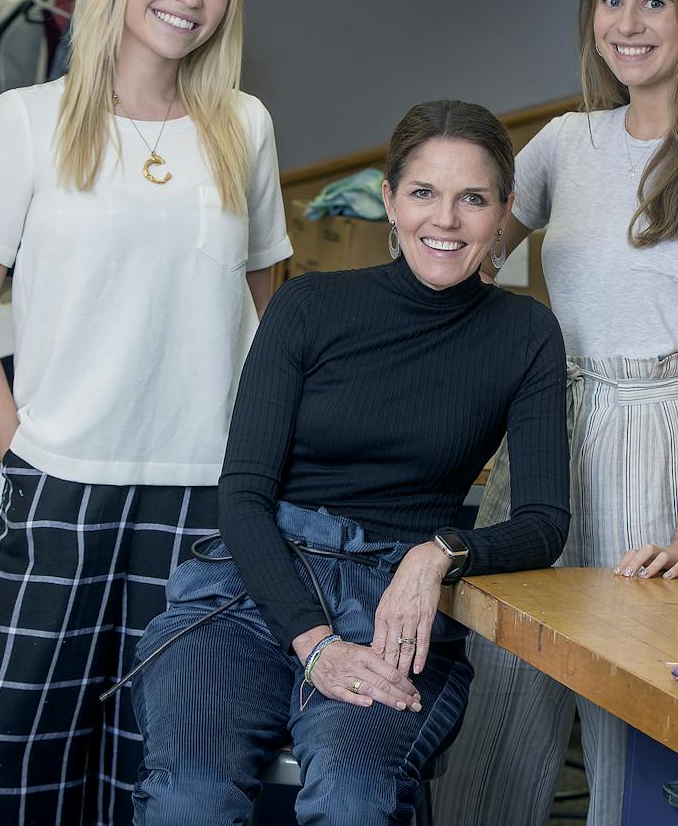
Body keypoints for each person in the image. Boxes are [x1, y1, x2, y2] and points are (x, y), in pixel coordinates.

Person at [0, 0, 291, 825]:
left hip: (202, 495)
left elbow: (273, 326)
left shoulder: (244, 128)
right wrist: (22, 450)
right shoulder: (26, 120)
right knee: (15, 747)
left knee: (165, 757)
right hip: (59, 480)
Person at [436, 0, 678, 826]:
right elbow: (459, 263)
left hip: (663, 433)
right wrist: (430, 206)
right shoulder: (563, 142)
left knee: (634, 723)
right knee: (498, 703)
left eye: (653, 2)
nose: (627, 23)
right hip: (550, 429)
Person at [129, 100, 571, 825]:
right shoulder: (307, 306)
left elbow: (545, 523)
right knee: (190, 799)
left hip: (394, 608)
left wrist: (441, 552)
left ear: (504, 211)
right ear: (390, 200)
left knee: (354, 802)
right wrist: (314, 641)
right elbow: (241, 495)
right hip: (252, 593)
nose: (447, 219)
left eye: (473, 198)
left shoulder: (525, 333)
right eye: (425, 192)